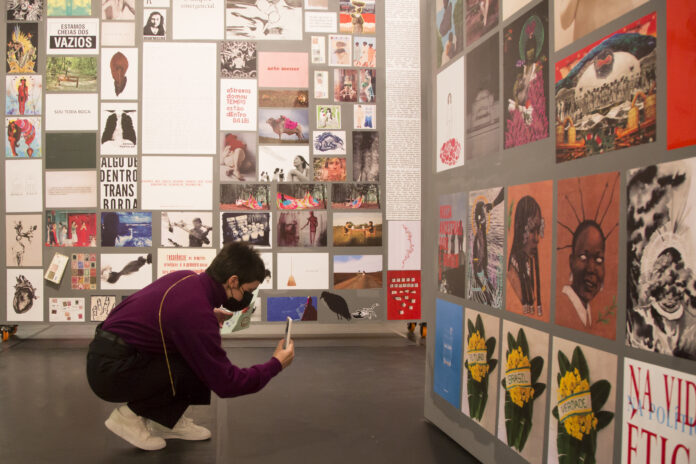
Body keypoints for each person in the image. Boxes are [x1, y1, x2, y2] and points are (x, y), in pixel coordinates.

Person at [87, 242, 295, 451]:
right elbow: (227, 383)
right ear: (233, 281)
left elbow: (160, 312)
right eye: (248, 291)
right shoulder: (195, 313)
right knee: (198, 363)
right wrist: (276, 364)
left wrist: (209, 314)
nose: (247, 298)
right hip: (109, 372)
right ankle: (128, 418)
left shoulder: (187, 278)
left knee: (194, 354)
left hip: (108, 353)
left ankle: (166, 420)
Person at [560, 221, 606, 328]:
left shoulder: (587, 313)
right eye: (583, 257)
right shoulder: (563, 305)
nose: (591, 269)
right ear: (571, 262)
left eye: (599, 260)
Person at [507, 196, 544, 316]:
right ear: (520, 230)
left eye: (539, 231)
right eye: (532, 231)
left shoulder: (527, 268)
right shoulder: (513, 273)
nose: (537, 239)